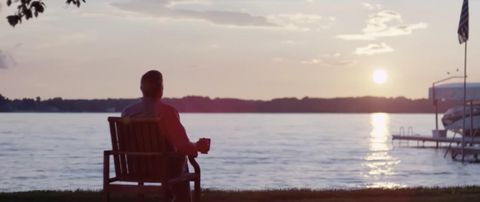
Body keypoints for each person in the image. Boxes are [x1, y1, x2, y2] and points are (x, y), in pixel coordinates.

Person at [122, 70, 209, 202]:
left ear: (141, 88)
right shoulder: (167, 112)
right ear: (161, 89)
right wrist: (197, 146)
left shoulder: (127, 112)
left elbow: (123, 144)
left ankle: (168, 196)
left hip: (135, 167)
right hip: (164, 169)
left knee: (175, 159)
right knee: (181, 160)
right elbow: (182, 147)